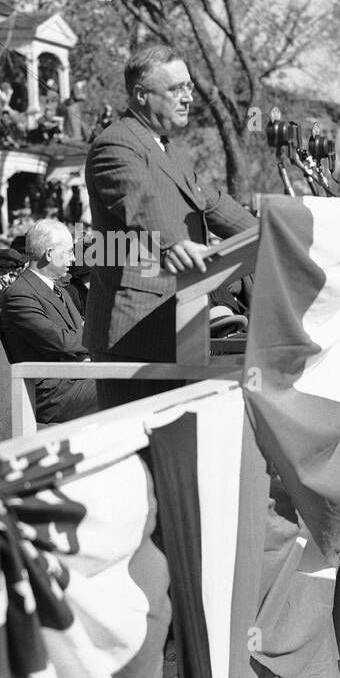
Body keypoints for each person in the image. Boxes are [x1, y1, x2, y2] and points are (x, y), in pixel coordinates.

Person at [84, 44, 255, 407]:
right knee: (138, 450)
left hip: (183, 326)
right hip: (133, 333)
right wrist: (174, 242)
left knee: (178, 450)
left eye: (190, 87)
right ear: (141, 95)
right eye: (177, 89)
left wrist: (282, 236)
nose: (189, 98)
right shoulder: (115, 143)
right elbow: (141, 201)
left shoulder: (171, 152)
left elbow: (219, 206)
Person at [0, 220, 98, 424]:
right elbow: (63, 342)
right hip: (51, 394)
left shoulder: (57, 289)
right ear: (49, 254)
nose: (73, 258)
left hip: (73, 376)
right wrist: (104, 338)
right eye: (68, 252)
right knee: (131, 385)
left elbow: (78, 332)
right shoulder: (20, 295)